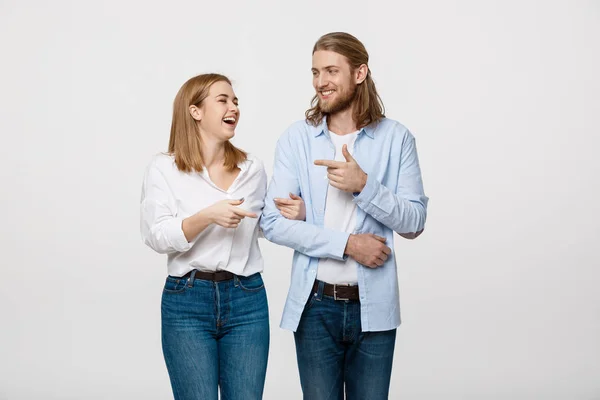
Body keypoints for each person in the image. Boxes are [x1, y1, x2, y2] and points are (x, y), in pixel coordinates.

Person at [261, 32, 429, 399]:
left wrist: (363, 186)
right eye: (315, 72)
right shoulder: (296, 139)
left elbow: (415, 222)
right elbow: (272, 222)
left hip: (376, 306)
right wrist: (349, 245)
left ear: (359, 73)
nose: (321, 81)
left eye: (331, 71)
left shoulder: (396, 139)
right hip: (315, 306)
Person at [140, 73, 304, 400]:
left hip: (247, 299)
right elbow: (155, 235)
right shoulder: (164, 168)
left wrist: (298, 215)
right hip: (187, 300)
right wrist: (206, 217)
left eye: (236, 101)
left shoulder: (251, 168)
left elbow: (264, 226)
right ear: (195, 111)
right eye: (223, 100)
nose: (234, 107)